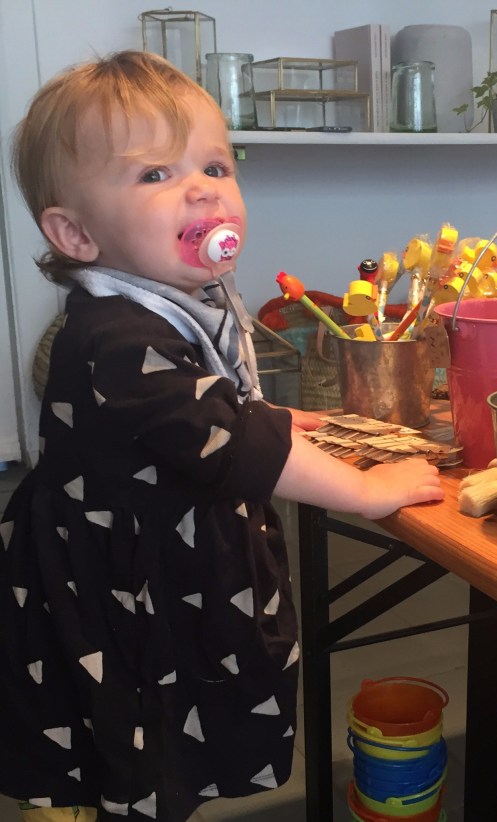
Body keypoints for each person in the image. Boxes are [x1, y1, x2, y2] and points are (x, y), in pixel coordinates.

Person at [0, 50, 445, 821]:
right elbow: (231, 445)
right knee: (130, 749)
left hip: (150, 564)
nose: (203, 188)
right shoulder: (117, 336)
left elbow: (197, 411)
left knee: (157, 741)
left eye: (215, 165)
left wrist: (261, 414)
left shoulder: (170, 299)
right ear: (75, 232)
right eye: (155, 174)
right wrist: (367, 491)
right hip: (121, 594)